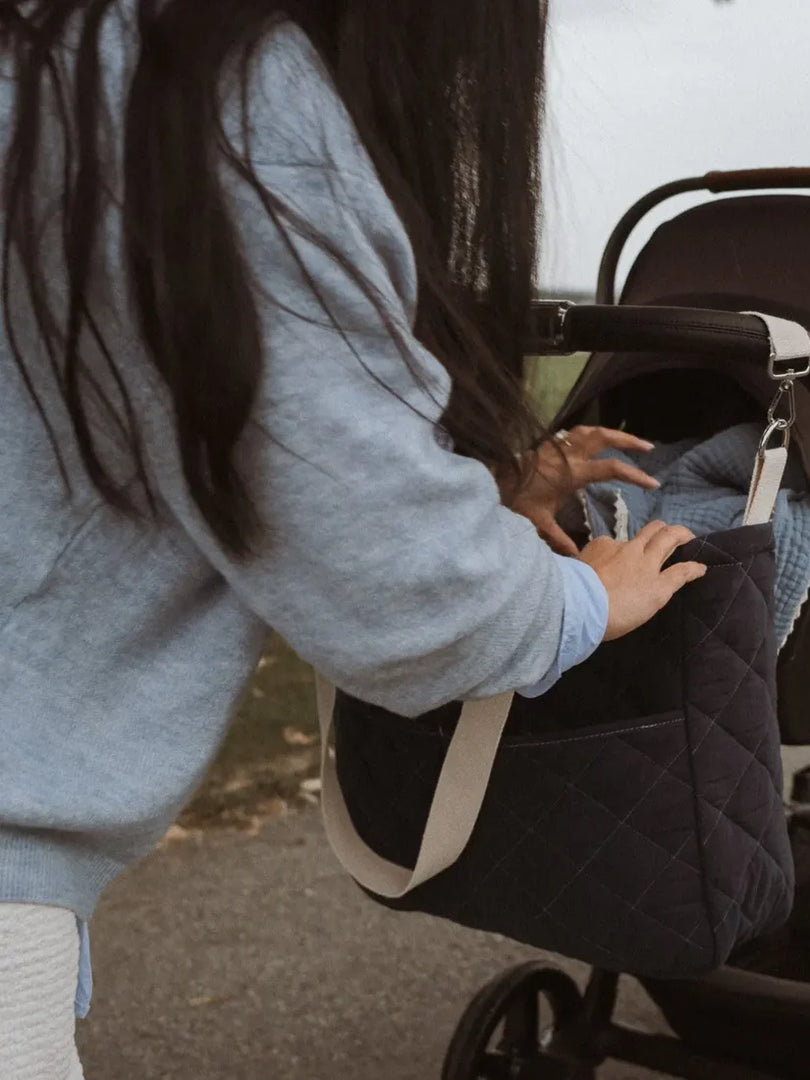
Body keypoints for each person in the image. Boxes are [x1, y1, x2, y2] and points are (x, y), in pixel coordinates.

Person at [0, 1, 707, 1075]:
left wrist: (478, 484)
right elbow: (404, 589)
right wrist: (582, 600)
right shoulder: (205, 95)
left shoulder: (47, 58)